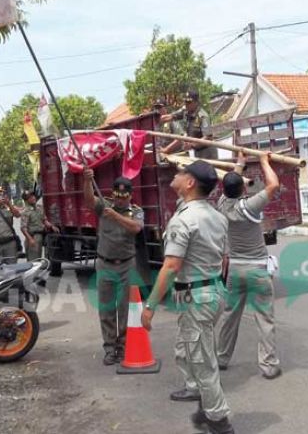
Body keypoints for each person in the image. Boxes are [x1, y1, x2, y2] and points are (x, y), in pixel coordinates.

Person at [141, 161, 234, 434]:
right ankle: (205, 406)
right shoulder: (217, 216)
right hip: (211, 293)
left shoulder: (184, 219)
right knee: (192, 350)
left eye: (181, 173)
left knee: (203, 362)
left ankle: (220, 421)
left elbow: (171, 267)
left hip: (197, 297)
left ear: (190, 183)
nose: (176, 175)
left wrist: (150, 306)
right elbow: (224, 258)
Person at [215, 151, 282, 380]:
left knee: (229, 316)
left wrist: (239, 164)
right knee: (264, 318)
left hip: (235, 270)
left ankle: (221, 358)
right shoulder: (250, 206)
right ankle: (268, 365)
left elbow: (231, 183)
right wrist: (264, 161)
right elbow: (273, 184)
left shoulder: (222, 205)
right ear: (244, 190)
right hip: (256, 270)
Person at [83, 168, 144, 366]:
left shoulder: (136, 211)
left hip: (126, 264)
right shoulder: (105, 205)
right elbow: (89, 201)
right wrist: (87, 181)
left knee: (125, 308)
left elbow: (136, 228)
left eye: (123, 196)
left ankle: (123, 346)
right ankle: (109, 348)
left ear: (130, 195)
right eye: (117, 196)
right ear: (113, 194)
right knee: (106, 308)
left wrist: (115, 216)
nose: (120, 200)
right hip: (105, 264)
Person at [160, 90, 218, 160]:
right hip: (197, 152)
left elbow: (208, 138)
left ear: (196, 102)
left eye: (189, 102)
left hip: (208, 152)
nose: (186, 104)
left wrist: (191, 145)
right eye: (185, 101)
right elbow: (170, 116)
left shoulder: (203, 116)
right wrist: (154, 119)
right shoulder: (185, 110)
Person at [20, 189, 59, 261]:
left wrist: (52, 226)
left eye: (33, 196)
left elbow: (44, 220)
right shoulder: (25, 211)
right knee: (33, 261)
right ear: (26, 200)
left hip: (40, 236)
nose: (33, 198)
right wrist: (30, 239)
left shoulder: (39, 208)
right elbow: (23, 228)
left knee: (39, 259)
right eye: (30, 197)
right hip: (32, 237)